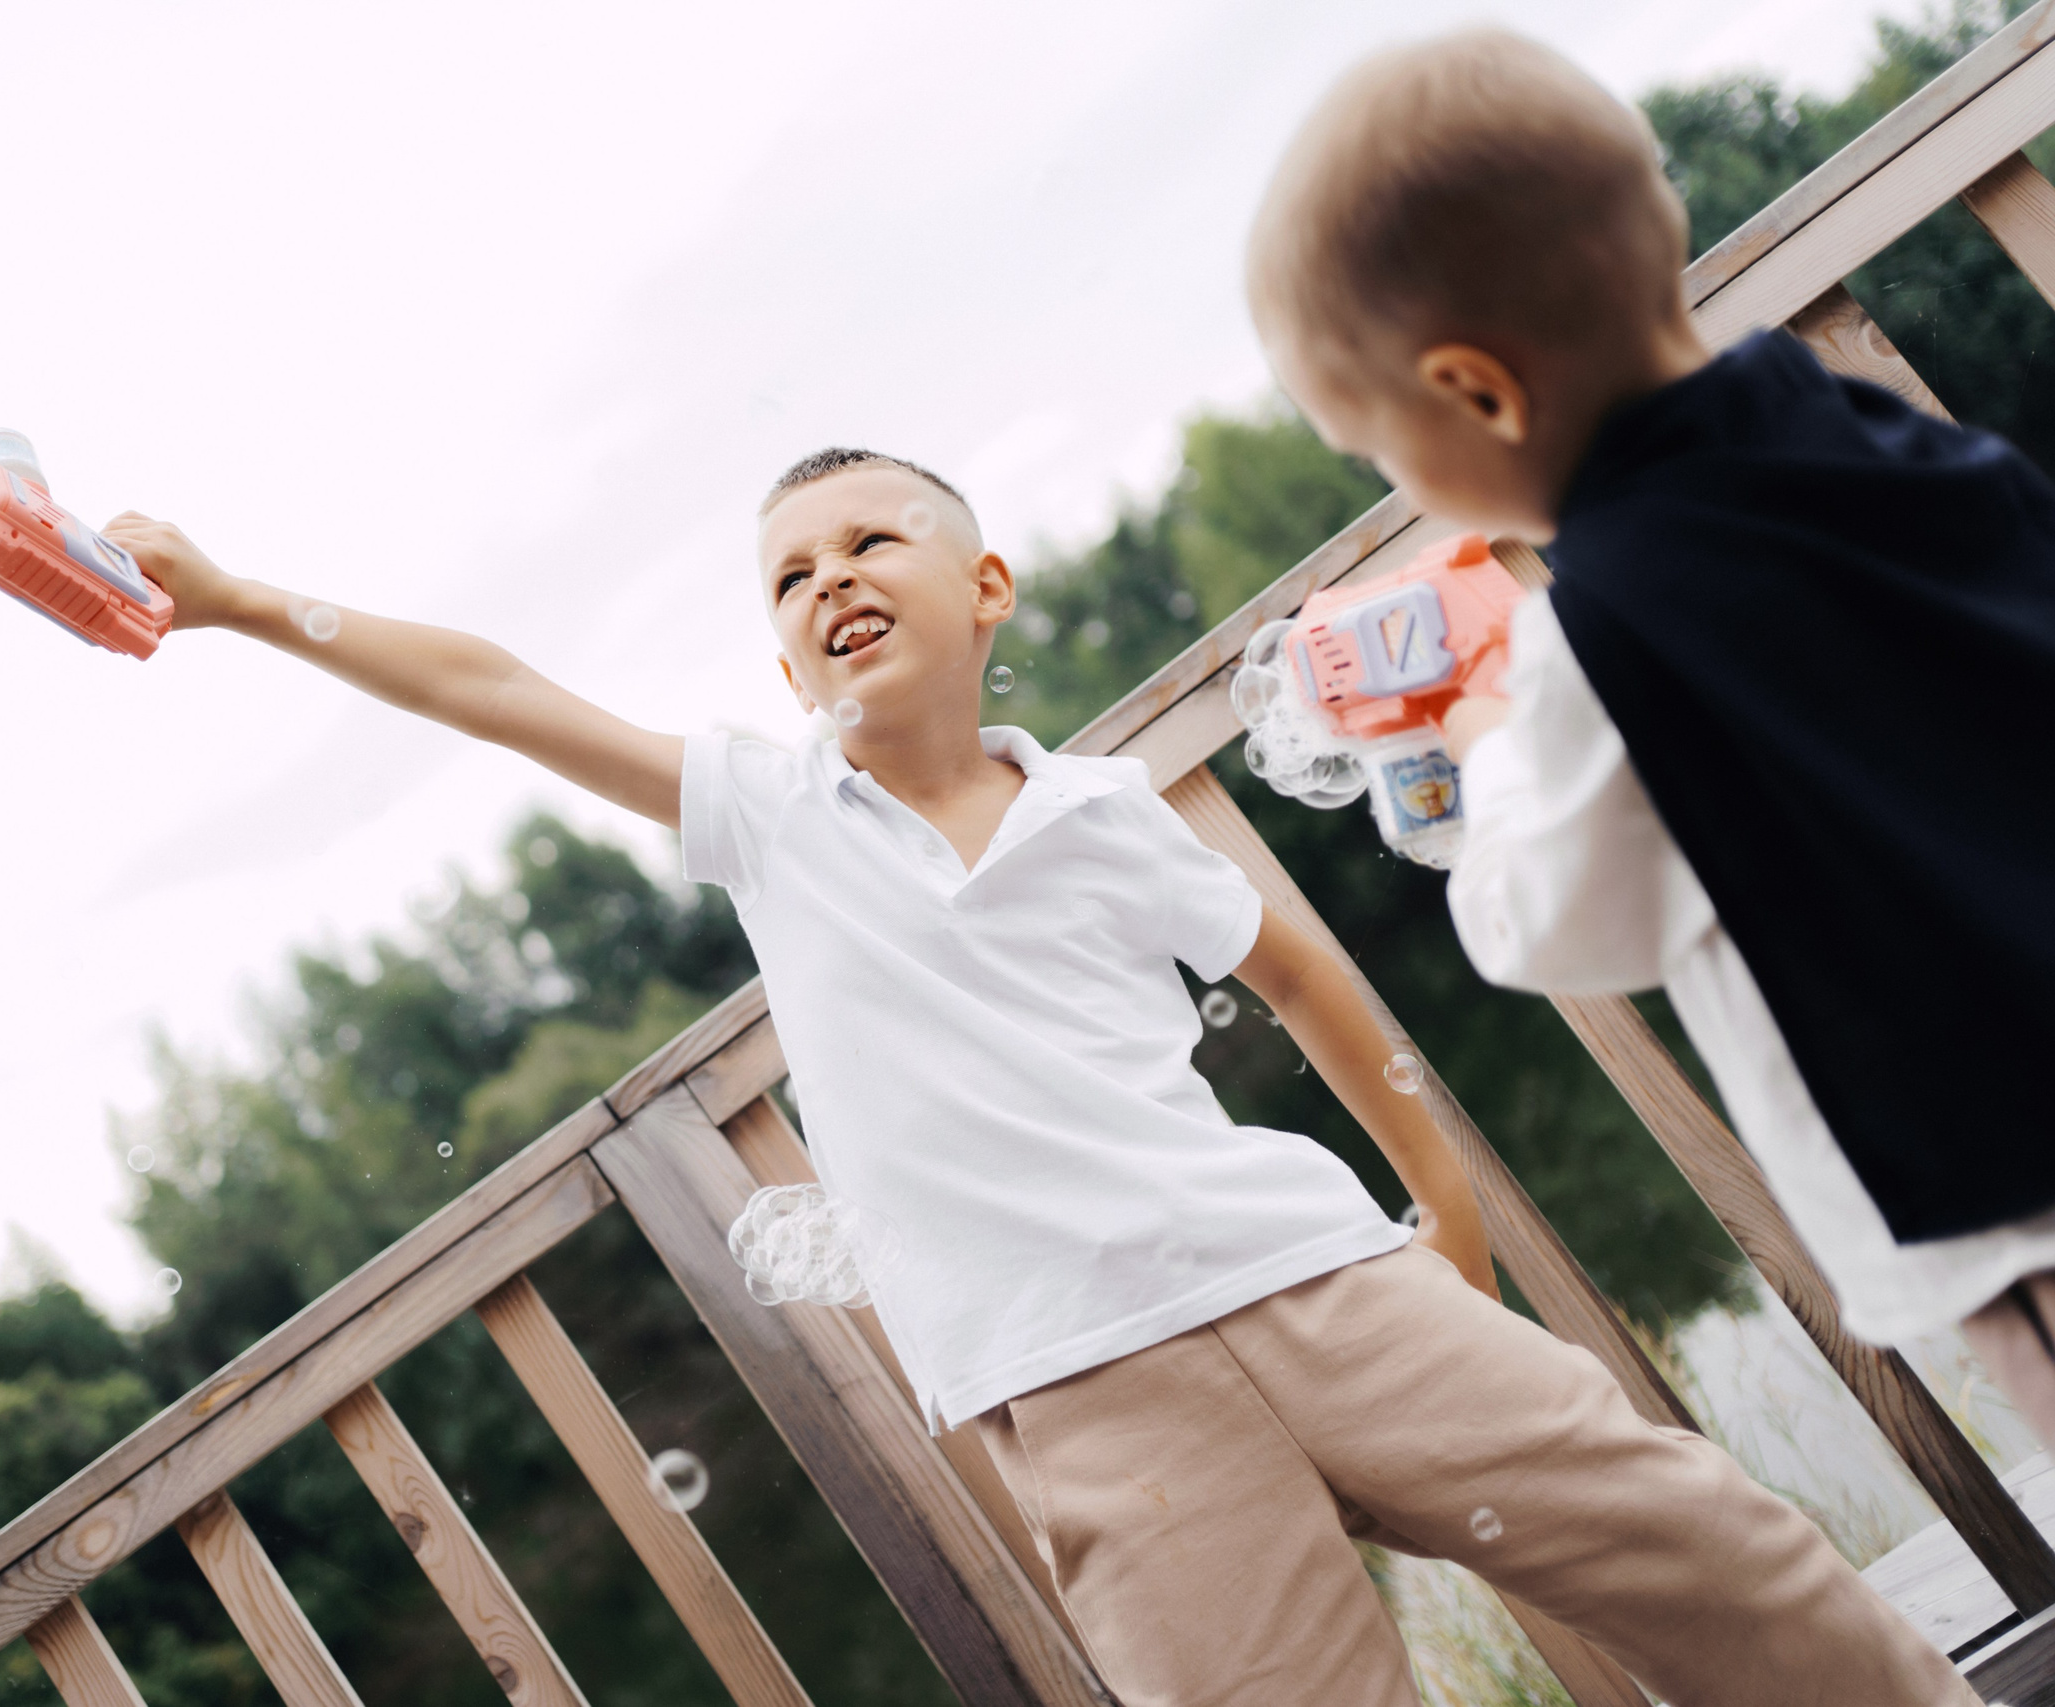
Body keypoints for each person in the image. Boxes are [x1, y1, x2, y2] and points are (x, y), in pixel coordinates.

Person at [103, 446, 1966, 1704]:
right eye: (792, 574)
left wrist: (1448, 1234)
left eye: (871, 542)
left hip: (1315, 1283)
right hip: (1088, 1409)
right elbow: (490, 688)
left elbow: (1318, 987)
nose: (832, 578)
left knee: (1709, 1555)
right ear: (776, 649)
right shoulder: (766, 816)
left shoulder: (1100, 815)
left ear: (982, 587)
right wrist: (247, 602)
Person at [1248, 20, 2055, 1467]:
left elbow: (1552, 920)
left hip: (2010, 1185)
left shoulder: (1602, 641)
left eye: (1379, 444)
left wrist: (1475, 739)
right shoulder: (1888, 447)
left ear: (1480, 394)